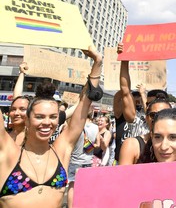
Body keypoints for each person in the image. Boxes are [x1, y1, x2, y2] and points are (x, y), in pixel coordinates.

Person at [0, 46, 102, 208]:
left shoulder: (61, 150)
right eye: (39, 117)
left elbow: (84, 103)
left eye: (53, 117)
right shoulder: (8, 152)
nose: (47, 122)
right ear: (27, 120)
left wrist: (97, 63)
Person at [113, 43, 148, 163]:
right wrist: (124, 59)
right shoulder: (134, 119)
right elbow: (125, 91)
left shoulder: (159, 126)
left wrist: (143, 95)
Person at [118, 98, 171, 165]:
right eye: (153, 115)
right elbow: (123, 174)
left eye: (164, 115)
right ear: (146, 118)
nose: (158, 119)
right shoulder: (132, 145)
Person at [66, 109, 100, 207]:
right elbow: (98, 144)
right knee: (85, 186)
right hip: (88, 161)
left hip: (75, 160)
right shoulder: (96, 127)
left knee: (72, 186)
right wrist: (89, 145)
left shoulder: (76, 126)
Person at [8, 63, 29, 146]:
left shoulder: (34, 136)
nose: (16, 113)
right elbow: (16, 98)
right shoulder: (6, 134)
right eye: (13, 109)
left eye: (22, 109)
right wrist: (22, 73)